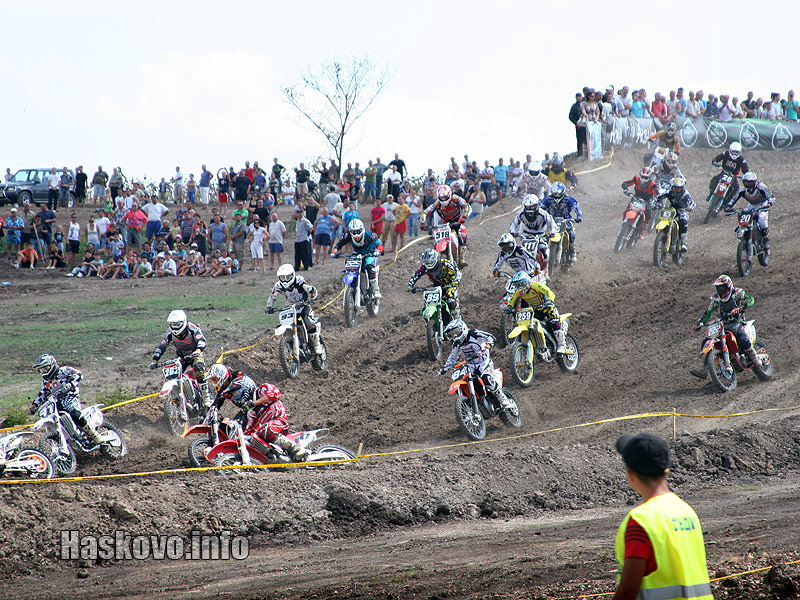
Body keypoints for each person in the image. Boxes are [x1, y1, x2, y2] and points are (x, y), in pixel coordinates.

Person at [613, 432, 713, 600]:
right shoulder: (686, 511)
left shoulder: (641, 521)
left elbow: (627, 593)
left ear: (630, 474)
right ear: (667, 469)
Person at [689, 274, 765, 379]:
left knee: (741, 336)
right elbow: (708, 312)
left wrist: (741, 307)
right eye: (718, 287)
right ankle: (704, 369)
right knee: (706, 340)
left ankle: (755, 358)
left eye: (722, 287)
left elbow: (750, 299)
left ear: (728, 286)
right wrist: (699, 323)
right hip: (724, 324)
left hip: (738, 321)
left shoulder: (737, 293)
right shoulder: (716, 298)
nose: (720, 290)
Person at [437, 319, 513, 410]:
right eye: (452, 334)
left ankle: (503, 399)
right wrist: (445, 368)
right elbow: (452, 357)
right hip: (471, 366)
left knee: (486, 378)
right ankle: (476, 404)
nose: (455, 336)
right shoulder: (457, 344)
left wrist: (487, 346)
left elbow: (490, 337)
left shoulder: (473, 333)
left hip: (484, 363)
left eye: (456, 332)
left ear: (463, 328)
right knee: (468, 380)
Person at [30, 355, 105, 444]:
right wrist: (35, 405)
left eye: (45, 369)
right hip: (57, 402)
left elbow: (79, 374)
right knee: (56, 419)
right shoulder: (47, 381)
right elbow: (42, 393)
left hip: (70, 398)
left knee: (75, 414)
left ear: (52, 365)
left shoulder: (64, 370)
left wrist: (71, 383)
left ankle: (94, 435)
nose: (44, 372)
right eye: (41, 370)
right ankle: (69, 438)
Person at [150, 310, 212, 408]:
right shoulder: (170, 332)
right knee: (173, 375)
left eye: (177, 324)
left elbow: (201, 340)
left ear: (183, 322)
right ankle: (180, 398)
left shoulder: (192, 328)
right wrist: (155, 360)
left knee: (198, 367)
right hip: (181, 357)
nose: (174, 327)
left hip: (194, 354)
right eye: (172, 324)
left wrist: (198, 350)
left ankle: (206, 398)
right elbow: (163, 344)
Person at [241, 381, 311, 462]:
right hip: (268, 432)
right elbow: (249, 431)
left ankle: (297, 449)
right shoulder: (252, 412)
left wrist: (254, 403)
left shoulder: (263, 389)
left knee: (266, 429)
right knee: (255, 438)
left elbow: (274, 394)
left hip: (279, 422)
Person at [265, 264, 325, 357]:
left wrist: (312, 296)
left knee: (308, 322)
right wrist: (268, 307)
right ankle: (290, 343)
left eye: (287, 277)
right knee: (285, 324)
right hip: (289, 307)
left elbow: (311, 289)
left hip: (303, 305)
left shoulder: (300, 281)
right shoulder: (278, 285)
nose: (285, 280)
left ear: (292, 275)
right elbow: (272, 297)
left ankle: (317, 345)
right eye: (282, 277)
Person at [507, 271, 567, 353]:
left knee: (553, 321)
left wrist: (549, 300)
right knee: (530, 325)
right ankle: (538, 345)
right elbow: (512, 299)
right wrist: (509, 307)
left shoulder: (535, 285)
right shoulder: (518, 292)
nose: (519, 287)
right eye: (517, 285)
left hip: (546, 307)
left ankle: (562, 345)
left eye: (521, 284)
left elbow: (548, 292)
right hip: (535, 310)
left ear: (527, 282)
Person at [724, 171, 774, 256]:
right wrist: (729, 206)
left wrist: (769, 204)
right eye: (746, 183)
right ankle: (745, 239)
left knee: (762, 218)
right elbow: (734, 198)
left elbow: (771, 197)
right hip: (752, 205)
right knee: (744, 214)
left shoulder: (761, 187)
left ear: (754, 182)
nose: (748, 185)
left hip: (762, 204)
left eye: (750, 183)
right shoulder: (743, 190)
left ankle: (765, 239)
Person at [331, 218, 383, 298]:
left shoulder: (368, 234)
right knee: (348, 262)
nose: (356, 234)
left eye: (358, 231)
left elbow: (378, 242)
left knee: (370, 267)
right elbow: (341, 243)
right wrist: (335, 250)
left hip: (369, 253)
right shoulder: (348, 235)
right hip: (357, 253)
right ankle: (352, 286)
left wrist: (378, 250)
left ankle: (376, 290)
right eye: (354, 232)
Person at [421, 184, 471, 267]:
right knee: (438, 238)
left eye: (445, 198)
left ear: (449, 194)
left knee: (462, 233)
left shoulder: (456, 198)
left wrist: (464, 217)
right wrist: (423, 222)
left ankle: (462, 258)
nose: (444, 200)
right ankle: (436, 256)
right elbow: (426, 212)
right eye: (442, 198)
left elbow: (467, 206)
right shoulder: (437, 203)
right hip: (445, 224)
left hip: (457, 221)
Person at [407, 248, 462, 319]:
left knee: (450, 298)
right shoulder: (424, 268)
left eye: (429, 262)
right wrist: (410, 285)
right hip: (437, 286)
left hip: (449, 285)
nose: (427, 264)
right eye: (425, 262)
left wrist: (455, 282)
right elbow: (416, 274)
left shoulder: (445, 264)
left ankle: (457, 320)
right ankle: (431, 319)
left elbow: (458, 273)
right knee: (429, 300)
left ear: (435, 259)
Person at [508, 194, 557, 271]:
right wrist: (512, 232)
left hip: (540, 234)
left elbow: (551, 222)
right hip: (526, 235)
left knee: (543, 250)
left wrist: (553, 231)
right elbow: (514, 223)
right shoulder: (521, 213)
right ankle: (520, 269)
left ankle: (545, 270)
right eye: (527, 207)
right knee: (520, 251)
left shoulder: (543, 213)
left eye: (531, 207)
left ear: (536, 205)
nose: (529, 209)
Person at [541, 182, 582, 263]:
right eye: (555, 194)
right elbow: (540, 207)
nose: (556, 196)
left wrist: (579, 216)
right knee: (542, 233)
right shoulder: (548, 199)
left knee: (571, 232)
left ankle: (572, 250)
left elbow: (576, 207)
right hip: (551, 220)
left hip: (565, 219)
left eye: (558, 194)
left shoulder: (568, 199)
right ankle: (541, 251)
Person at [656, 177, 695, 252]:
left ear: (682, 188)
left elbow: (692, 203)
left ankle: (684, 242)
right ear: (672, 187)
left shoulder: (685, 194)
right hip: (672, 208)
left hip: (682, 209)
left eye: (678, 189)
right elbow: (659, 197)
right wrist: (654, 203)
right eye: (674, 188)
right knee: (662, 218)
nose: (676, 190)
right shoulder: (668, 192)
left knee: (683, 222)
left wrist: (690, 207)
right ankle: (663, 235)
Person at [621, 167, 659, 237]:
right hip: (636, 198)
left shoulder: (653, 185)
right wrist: (625, 189)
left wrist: (656, 202)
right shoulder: (636, 179)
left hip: (647, 201)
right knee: (628, 209)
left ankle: (642, 230)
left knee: (648, 214)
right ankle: (623, 222)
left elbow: (658, 194)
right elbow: (626, 183)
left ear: (650, 177)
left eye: (646, 178)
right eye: (642, 177)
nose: (643, 179)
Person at [293, 207, 314, 271]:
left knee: (305, 254)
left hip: (304, 239)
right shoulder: (298, 221)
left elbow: (311, 228)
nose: (299, 214)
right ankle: (297, 266)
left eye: (300, 213)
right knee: (297, 255)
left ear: (303, 213)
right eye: (298, 213)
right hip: (298, 239)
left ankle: (306, 266)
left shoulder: (305, 221)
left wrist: (308, 233)